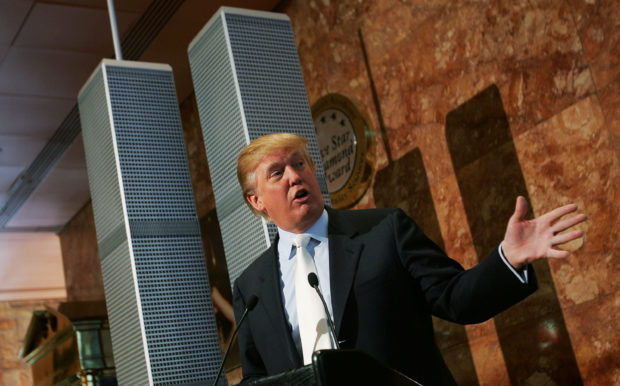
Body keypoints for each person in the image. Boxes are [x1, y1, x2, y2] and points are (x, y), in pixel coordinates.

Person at [232, 133, 586, 385]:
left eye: (300, 163)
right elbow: (257, 379)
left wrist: (508, 258)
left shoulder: (384, 231)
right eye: (278, 173)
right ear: (256, 201)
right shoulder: (251, 287)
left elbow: (456, 298)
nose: (295, 176)